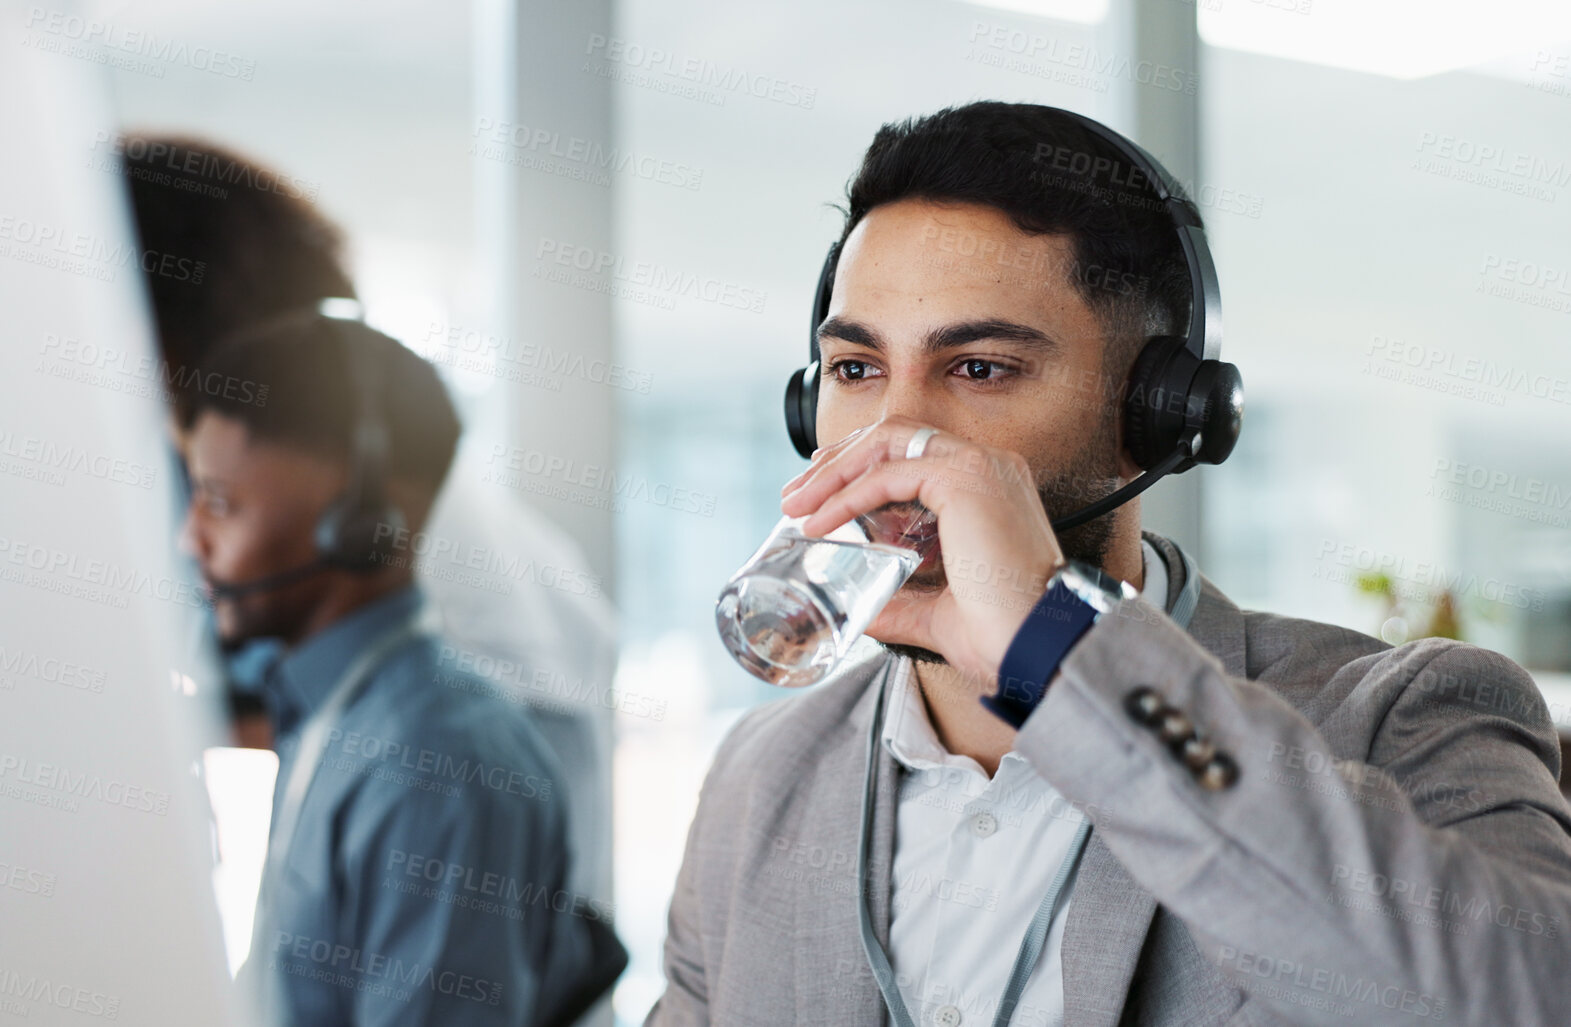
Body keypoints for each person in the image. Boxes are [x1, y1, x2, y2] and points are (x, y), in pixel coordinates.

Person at [650, 101, 1571, 1026]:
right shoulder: (759, 774)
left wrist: (1056, 651)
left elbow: (1518, 1000)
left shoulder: (1397, 714)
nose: (895, 437)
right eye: (854, 369)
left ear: (1156, 419)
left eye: (978, 368)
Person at [175, 314, 624, 1026]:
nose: (188, 536)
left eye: (222, 503)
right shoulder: (330, 711)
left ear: (361, 518)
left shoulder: (434, 764)